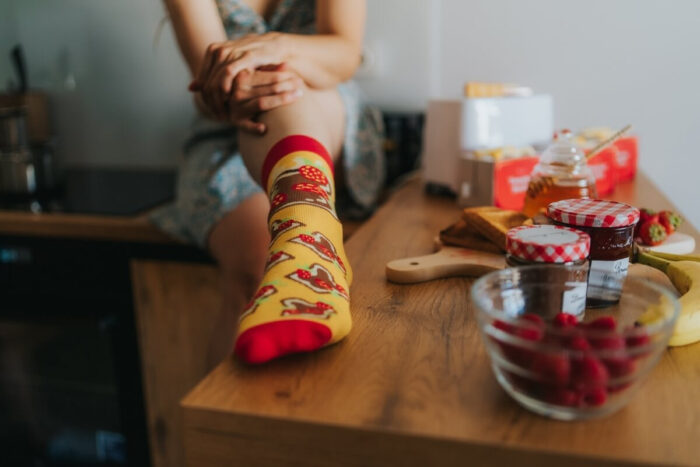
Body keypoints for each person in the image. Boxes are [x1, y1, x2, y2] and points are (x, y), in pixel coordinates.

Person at [155, 0, 384, 363]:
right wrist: (237, 87)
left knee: (286, 88)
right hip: (226, 131)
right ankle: (310, 241)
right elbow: (204, 83)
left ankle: (306, 236)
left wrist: (277, 49)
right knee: (253, 266)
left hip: (323, 112)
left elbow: (344, 51)